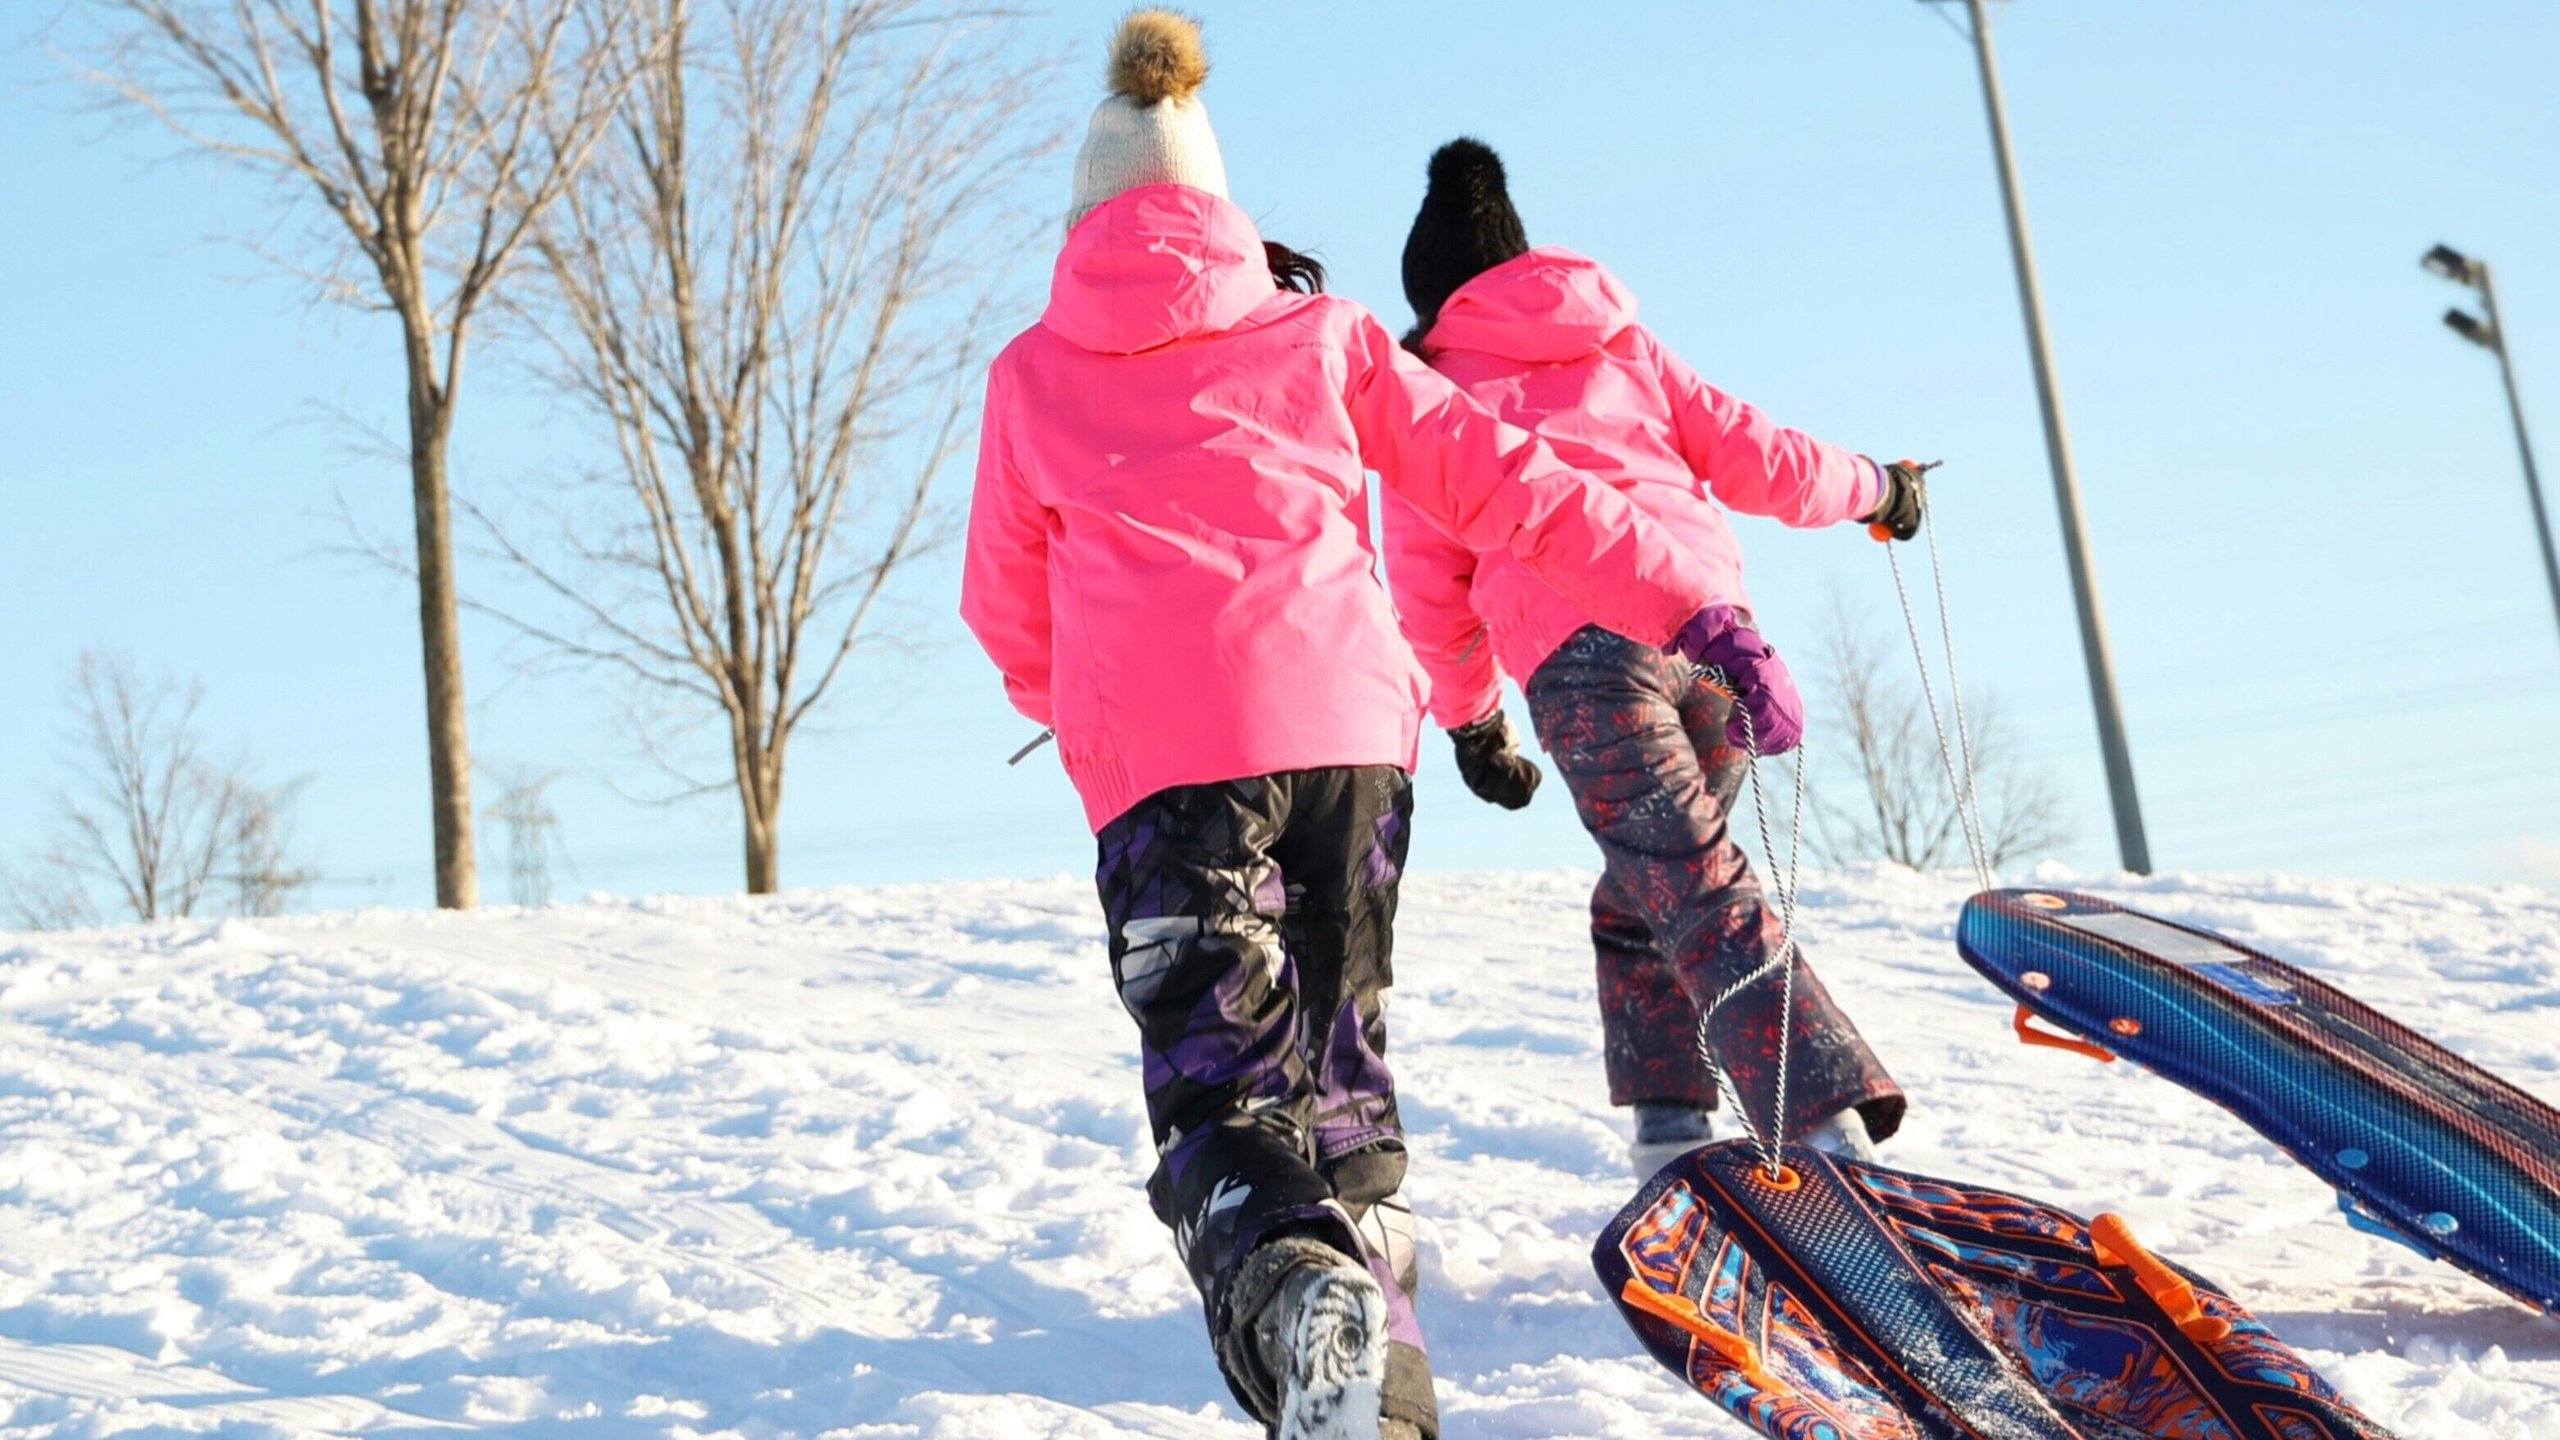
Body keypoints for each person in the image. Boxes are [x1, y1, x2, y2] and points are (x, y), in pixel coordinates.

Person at [958, 18, 1798, 1440]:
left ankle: (1305, 1302)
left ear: (1083, 220)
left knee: (1225, 1081)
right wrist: (1698, 604)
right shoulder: (1328, 337)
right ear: (1224, 212)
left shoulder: (1033, 376)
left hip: (1170, 771)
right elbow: (1515, 484)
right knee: (1339, 1043)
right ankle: (1377, 1294)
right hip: (1351, 740)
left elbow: (1004, 616)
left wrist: (1084, 714)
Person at [1382, 138, 1927, 1179]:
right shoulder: (1623, 347)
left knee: (1688, 885)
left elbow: (1426, 587)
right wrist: (1880, 487)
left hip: (1586, 664)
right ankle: (1671, 1125)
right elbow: (1762, 457)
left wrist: (1472, 725)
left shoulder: (1435, 398)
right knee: (1648, 889)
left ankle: (1827, 1128)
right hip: (1707, 644)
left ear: (1433, 298)